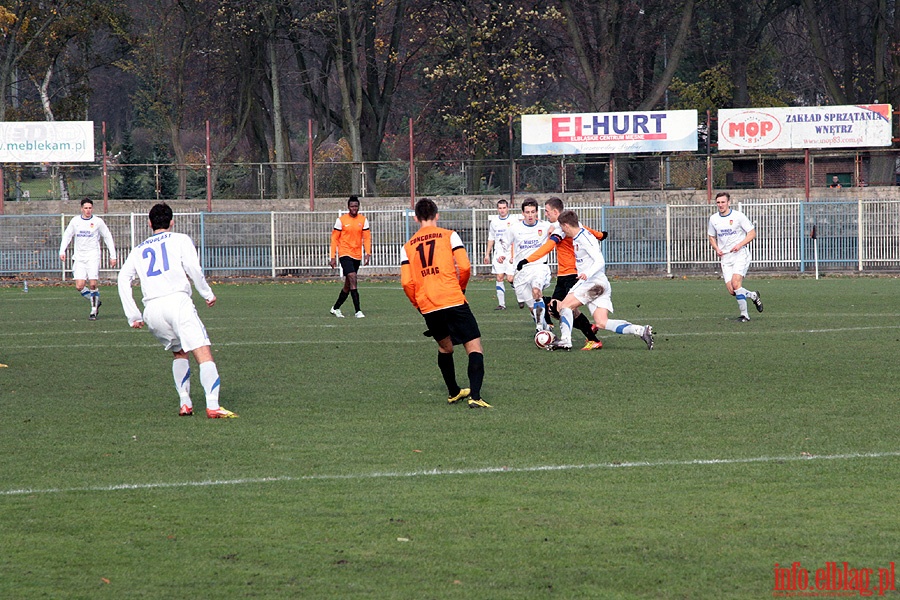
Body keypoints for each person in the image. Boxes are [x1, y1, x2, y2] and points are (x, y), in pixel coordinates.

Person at [117, 203, 236, 419]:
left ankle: (185, 403)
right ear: (172, 222)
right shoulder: (180, 239)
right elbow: (192, 267)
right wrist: (207, 293)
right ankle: (213, 406)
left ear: (149, 223)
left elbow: (123, 278)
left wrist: (133, 315)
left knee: (179, 352)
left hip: (152, 309)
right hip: (177, 302)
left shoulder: (138, 250)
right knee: (203, 352)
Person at [400, 198, 490, 409]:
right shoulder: (449, 235)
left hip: (429, 305)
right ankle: (475, 397)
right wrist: (461, 288)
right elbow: (465, 267)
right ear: (437, 215)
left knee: (445, 348)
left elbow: (406, 282)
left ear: (416, 218)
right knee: (474, 345)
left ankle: (454, 392)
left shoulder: (407, 246)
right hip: (452, 298)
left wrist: (418, 304)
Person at [547, 210, 654, 351]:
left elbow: (600, 261)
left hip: (593, 283)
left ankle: (566, 341)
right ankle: (641, 330)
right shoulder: (578, 234)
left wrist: (587, 273)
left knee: (565, 306)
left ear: (566, 226)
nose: (561, 230)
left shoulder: (584, 238)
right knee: (602, 322)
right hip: (599, 283)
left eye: (561, 227)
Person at [517, 196, 606, 350]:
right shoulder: (568, 225)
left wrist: (527, 260)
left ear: (556, 211)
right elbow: (589, 230)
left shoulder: (561, 230)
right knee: (554, 308)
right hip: (563, 275)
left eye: (547, 211)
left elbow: (548, 247)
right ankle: (588, 328)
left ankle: (592, 338)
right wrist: (601, 235)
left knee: (568, 308)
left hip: (572, 273)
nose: (545, 214)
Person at [707, 191, 763, 322]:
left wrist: (739, 244)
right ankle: (753, 295)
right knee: (733, 291)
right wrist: (716, 248)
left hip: (740, 254)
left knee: (736, 283)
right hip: (725, 258)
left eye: (723, 202)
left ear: (728, 203)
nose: (720, 205)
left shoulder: (738, 216)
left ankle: (745, 315)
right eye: (718, 202)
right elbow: (711, 236)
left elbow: (752, 233)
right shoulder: (713, 219)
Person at [59, 197, 117, 320]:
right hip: (79, 257)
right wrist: (62, 250)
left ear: (92, 208)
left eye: (90, 208)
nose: (88, 210)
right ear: (81, 209)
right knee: (79, 286)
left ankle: (93, 310)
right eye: (85, 208)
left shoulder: (97, 221)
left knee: (93, 283)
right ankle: (95, 299)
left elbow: (107, 237)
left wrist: (113, 256)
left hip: (93, 256)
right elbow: (67, 236)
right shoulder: (75, 221)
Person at [502, 198, 552, 332]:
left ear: (537, 212)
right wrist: (507, 267)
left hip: (539, 267)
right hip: (522, 270)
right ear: (522, 213)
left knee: (537, 291)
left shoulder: (545, 226)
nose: (530, 215)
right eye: (527, 212)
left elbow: (565, 226)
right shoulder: (514, 228)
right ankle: (546, 329)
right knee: (531, 306)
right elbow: (504, 246)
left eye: (533, 212)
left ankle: (540, 329)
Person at [329, 195, 372, 318]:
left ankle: (335, 308)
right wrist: (332, 256)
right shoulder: (341, 220)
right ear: (348, 207)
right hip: (345, 253)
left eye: (356, 206)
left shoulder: (363, 220)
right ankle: (358, 310)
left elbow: (367, 238)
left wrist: (367, 253)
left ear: (358, 207)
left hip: (357, 255)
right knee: (353, 277)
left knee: (348, 285)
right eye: (352, 206)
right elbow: (334, 239)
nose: (354, 208)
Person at [483, 199, 515, 310]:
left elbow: (517, 238)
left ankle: (520, 294)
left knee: (510, 278)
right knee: (499, 277)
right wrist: (487, 254)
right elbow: (491, 238)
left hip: (510, 253)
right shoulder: (494, 222)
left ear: (508, 208)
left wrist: (513, 254)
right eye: (500, 208)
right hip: (498, 253)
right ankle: (502, 304)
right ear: (498, 209)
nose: (502, 210)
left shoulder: (513, 220)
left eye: (504, 208)